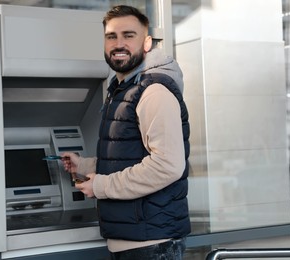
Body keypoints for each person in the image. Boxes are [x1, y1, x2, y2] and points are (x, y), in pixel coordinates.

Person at [62, 5, 191, 260]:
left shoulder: (154, 91)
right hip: (136, 240)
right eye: (112, 36)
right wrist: (85, 165)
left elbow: (167, 166)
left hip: (152, 244)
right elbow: (129, 156)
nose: (118, 44)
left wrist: (100, 185)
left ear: (147, 43)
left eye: (128, 35)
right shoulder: (123, 89)